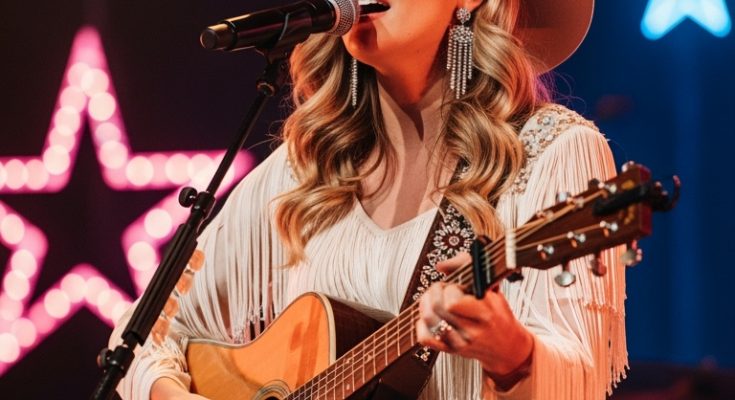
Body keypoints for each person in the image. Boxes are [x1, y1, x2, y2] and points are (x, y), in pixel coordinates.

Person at [109, 0, 628, 398]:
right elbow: (140, 337)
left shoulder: (550, 153)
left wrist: (514, 357)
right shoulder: (303, 172)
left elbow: (579, 378)